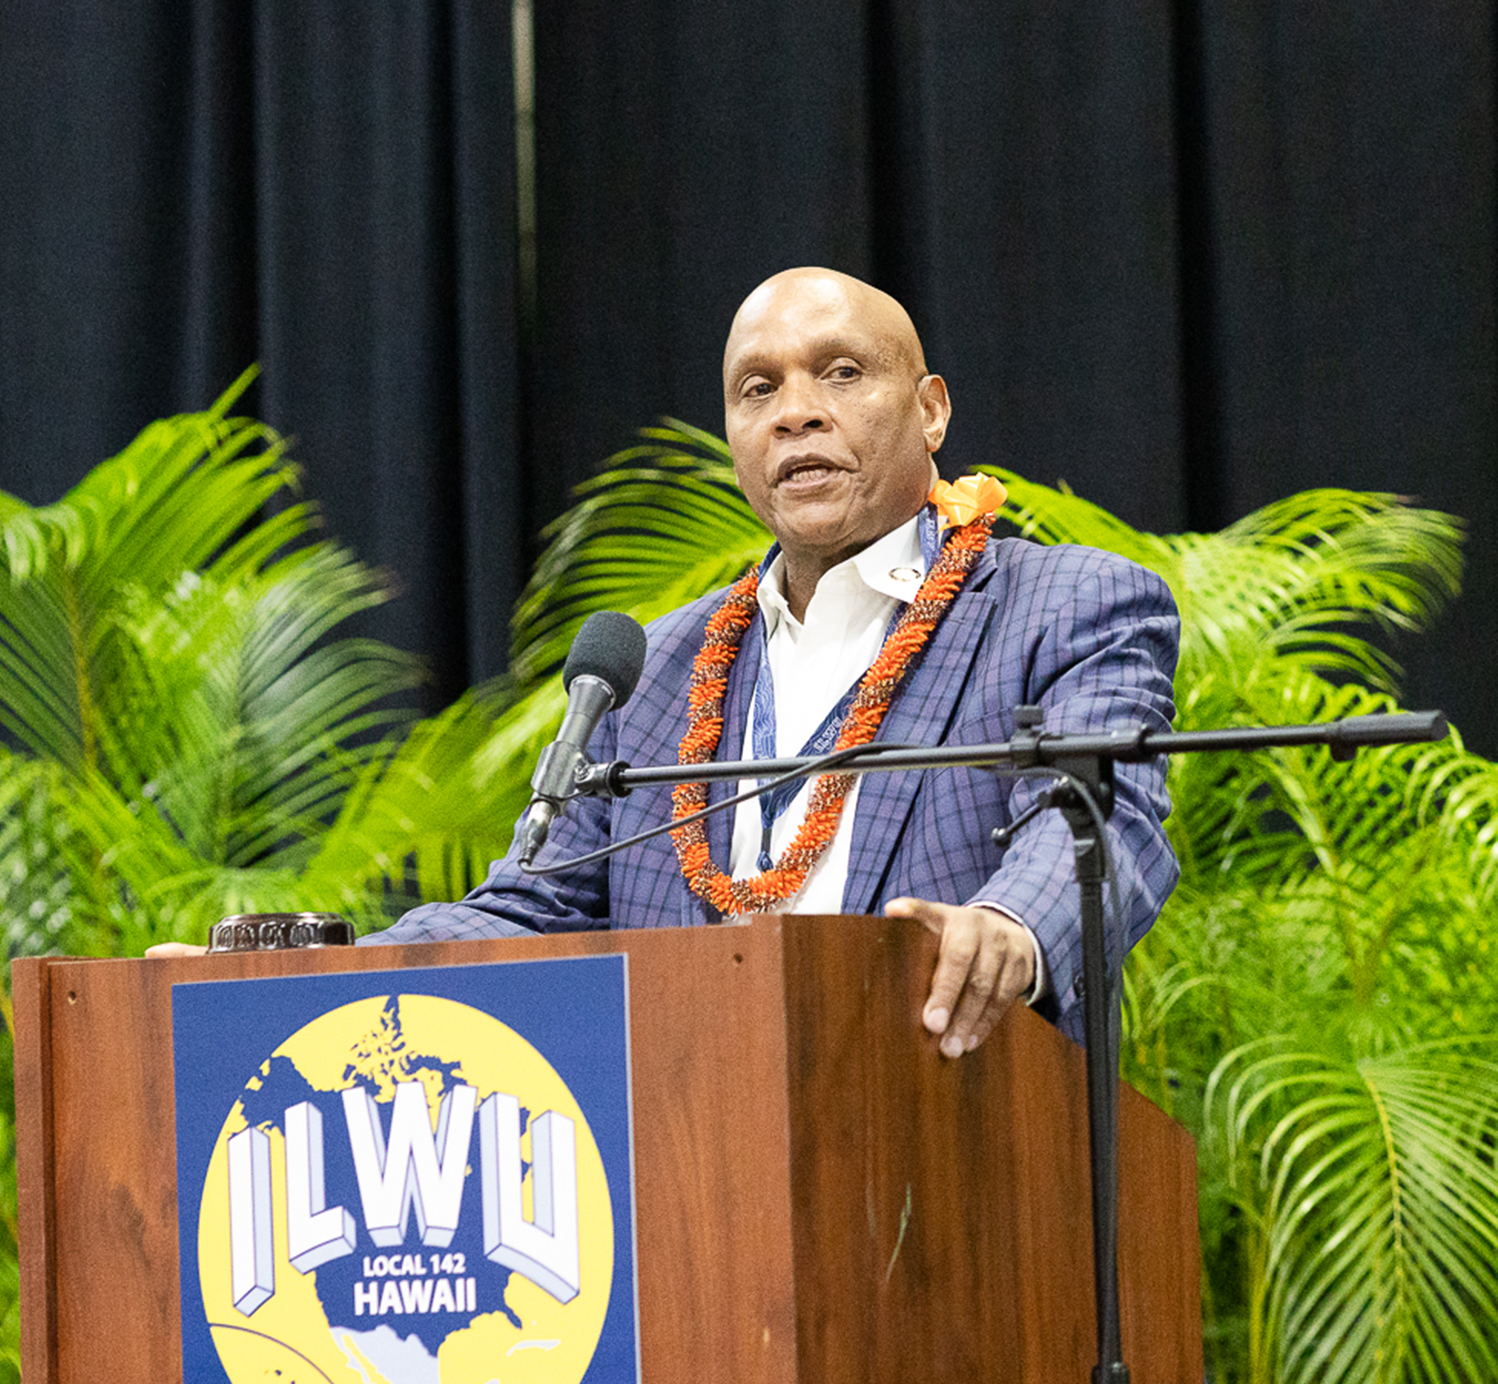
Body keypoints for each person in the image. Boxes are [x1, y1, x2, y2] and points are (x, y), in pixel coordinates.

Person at [155, 267, 1180, 1052]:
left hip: (951, 1157)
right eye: (755, 389)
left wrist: (1009, 925)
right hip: (678, 1183)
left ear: (929, 410)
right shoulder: (655, 666)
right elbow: (528, 907)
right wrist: (297, 980)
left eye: (840, 372)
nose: (794, 411)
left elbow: (1100, 827)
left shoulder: (1065, 606)